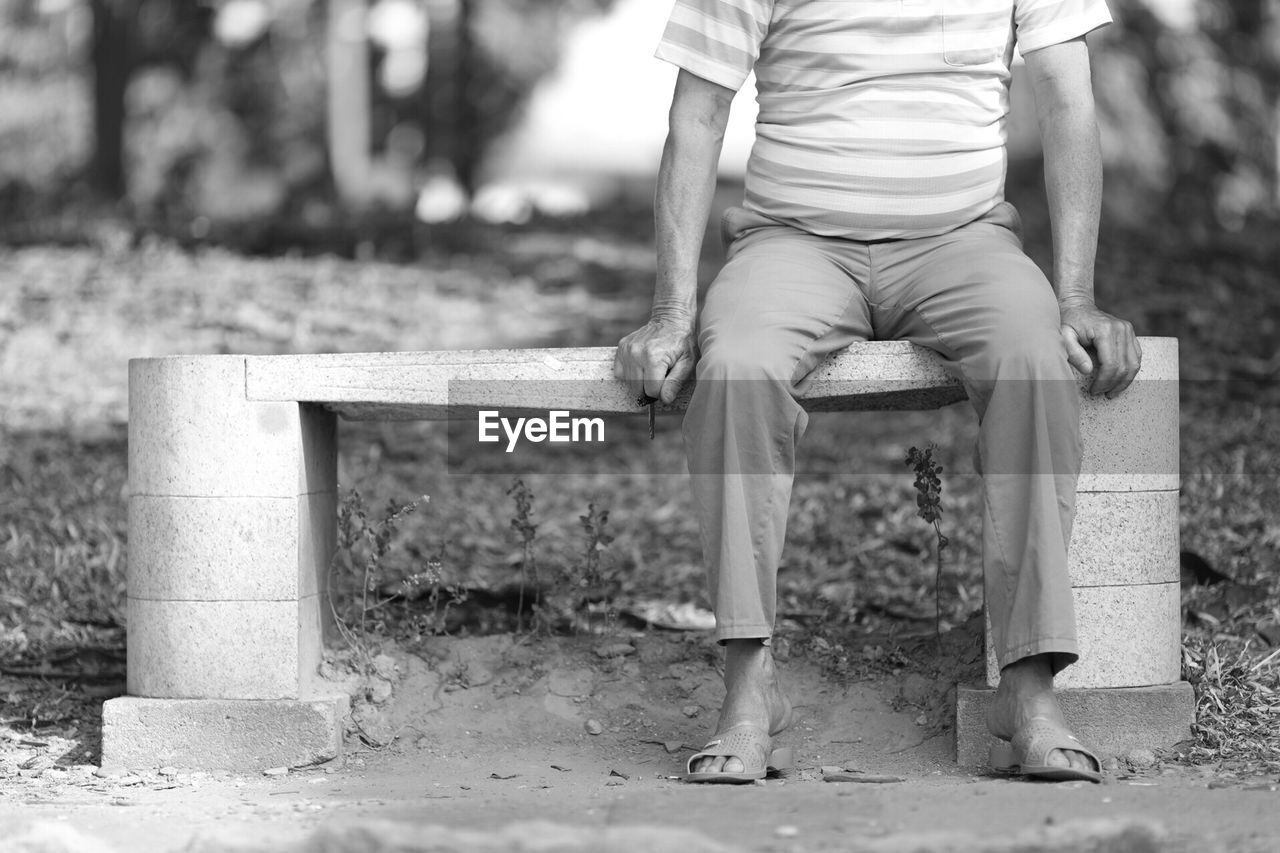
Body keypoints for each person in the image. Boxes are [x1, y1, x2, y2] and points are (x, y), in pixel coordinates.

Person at [613, 0, 1143, 784]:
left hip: (963, 240)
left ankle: (1028, 689)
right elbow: (698, 114)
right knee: (735, 370)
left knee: (1035, 357)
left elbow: (1068, 101)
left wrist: (1074, 298)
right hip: (794, 240)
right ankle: (749, 688)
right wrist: (671, 313)